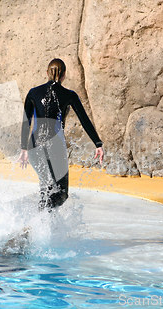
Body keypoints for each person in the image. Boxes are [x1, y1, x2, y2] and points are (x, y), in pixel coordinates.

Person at [19, 58, 104, 210]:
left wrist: (23, 149)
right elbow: (84, 120)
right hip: (54, 146)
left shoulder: (33, 93)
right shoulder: (69, 95)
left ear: (47, 73)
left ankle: (37, 225)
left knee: (46, 187)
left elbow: (26, 121)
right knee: (62, 194)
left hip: (33, 146)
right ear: (64, 75)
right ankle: (40, 219)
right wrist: (98, 143)